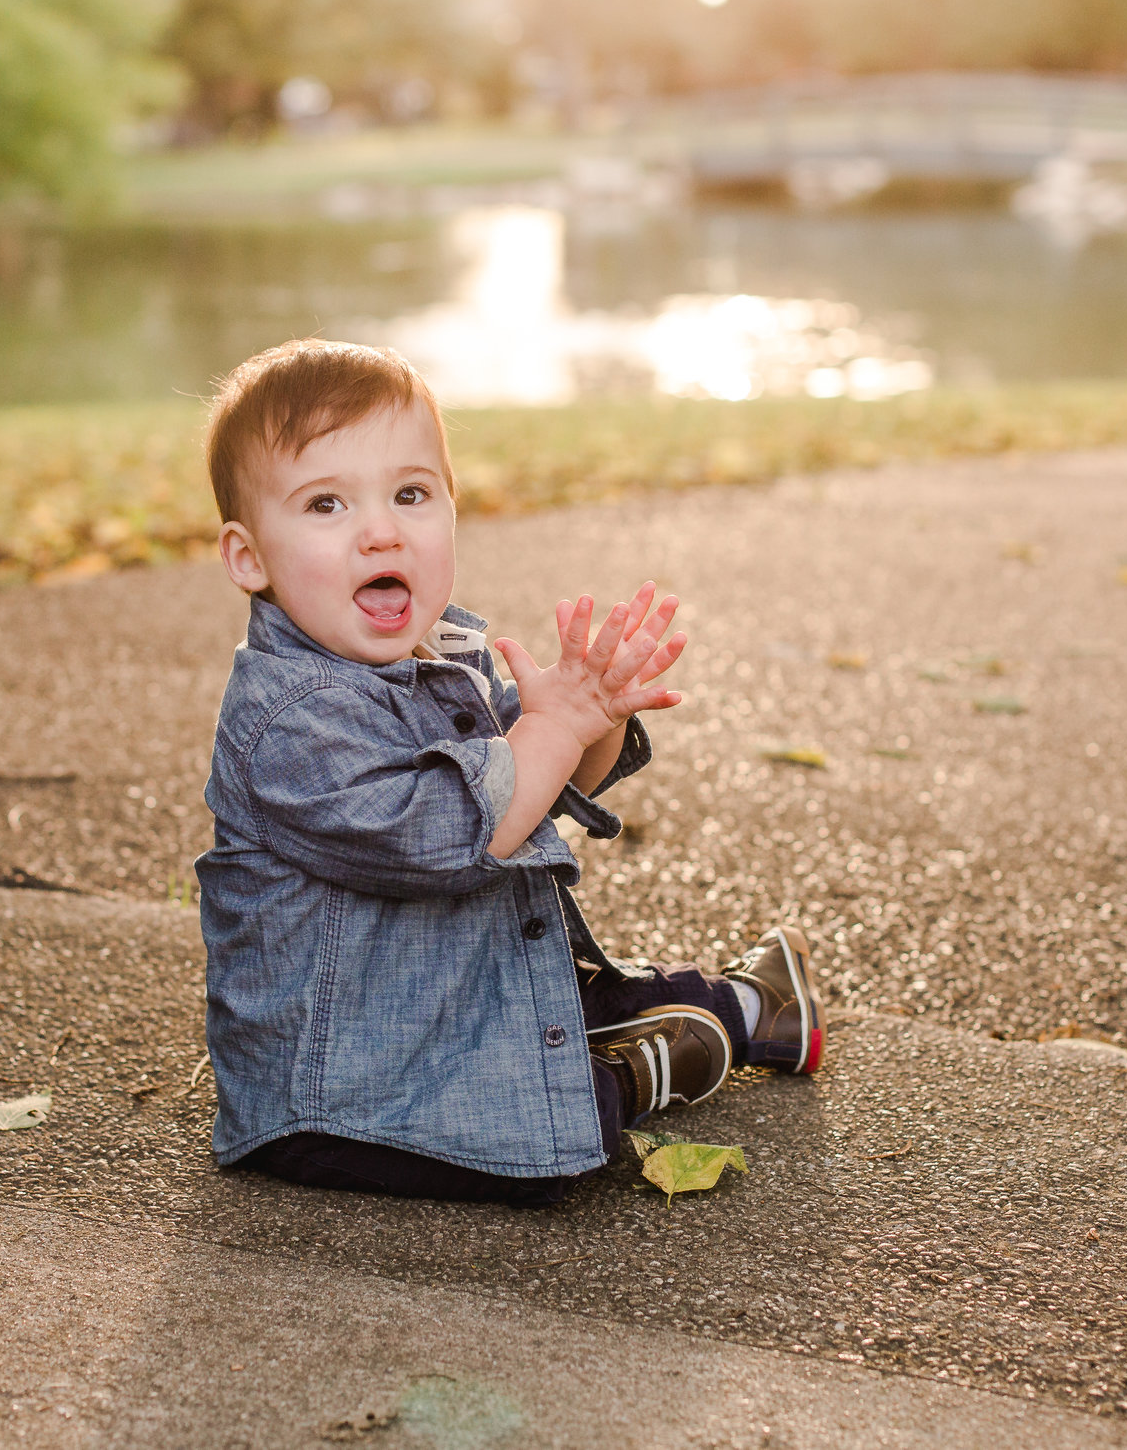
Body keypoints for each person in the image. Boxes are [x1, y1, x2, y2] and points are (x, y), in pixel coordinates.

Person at [195, 339, 825, 1207]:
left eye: (411, 494)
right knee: (559, 1126)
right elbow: (461, 832)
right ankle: (664, 1056)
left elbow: (544, 790)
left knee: (586, 1007)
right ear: (248, 556)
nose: (381, 529)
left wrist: (587, 719)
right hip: (336, 1095)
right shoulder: (290, 719)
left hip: (453, 1004)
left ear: (452, 512)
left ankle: (753, 1005)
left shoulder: (443, 654)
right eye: (327, 504)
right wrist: (553, 725)